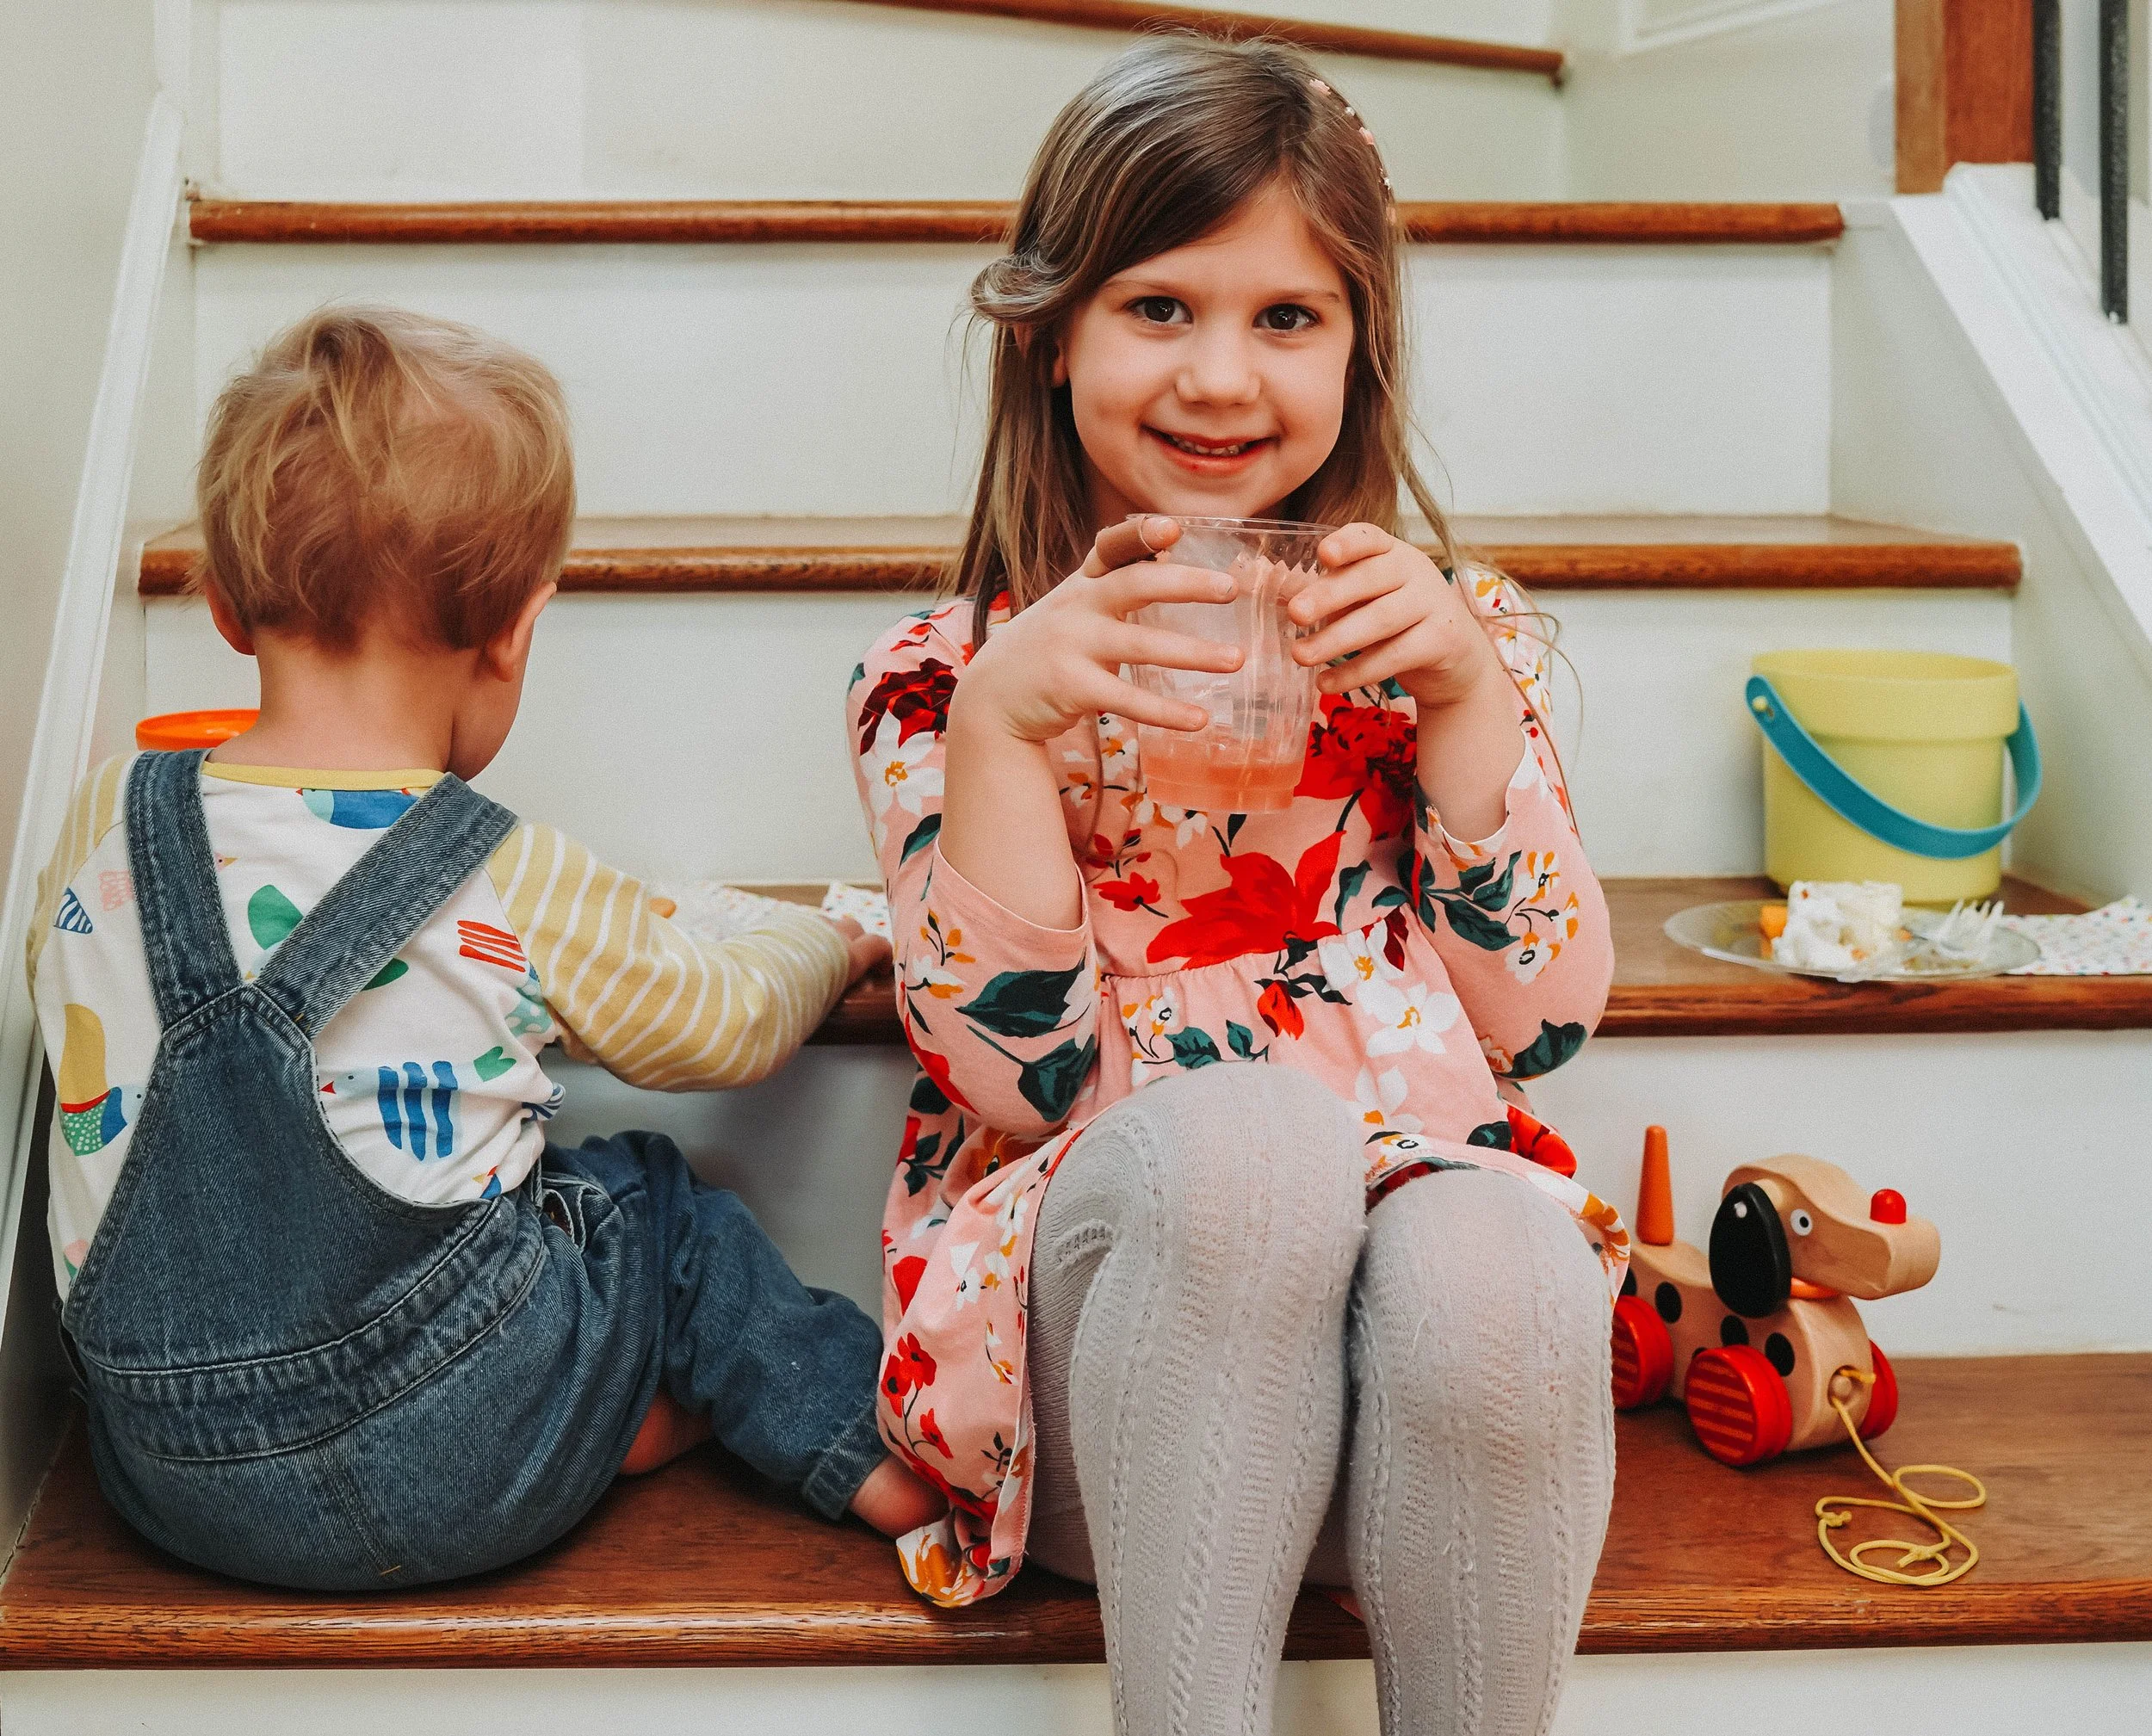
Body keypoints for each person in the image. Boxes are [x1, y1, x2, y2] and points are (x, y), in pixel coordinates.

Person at [848, 37, 1629, 1736]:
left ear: (1359, 353)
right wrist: (1001, 736)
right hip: (1102, 1402)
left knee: (1498, 1260)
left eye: (1287, 318)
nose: (1221, 375)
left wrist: (1468, 708)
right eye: (1159, 308)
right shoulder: (947, 679)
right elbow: (1017, 1078)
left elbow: (1548, 1030)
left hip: (1406, 1426)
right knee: (1248, 1141)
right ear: (1052, 336)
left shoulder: (1442, 650)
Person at [28, 306, 939, 1591]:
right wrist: (829, 937)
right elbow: (720, 1026)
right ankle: (873, 1456)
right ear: (515, 627)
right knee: (645, 1204)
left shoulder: (111, 813)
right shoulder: (507, 872)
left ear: (226, 606)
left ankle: (611, 1422)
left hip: (172, 1477)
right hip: (458, 1464)